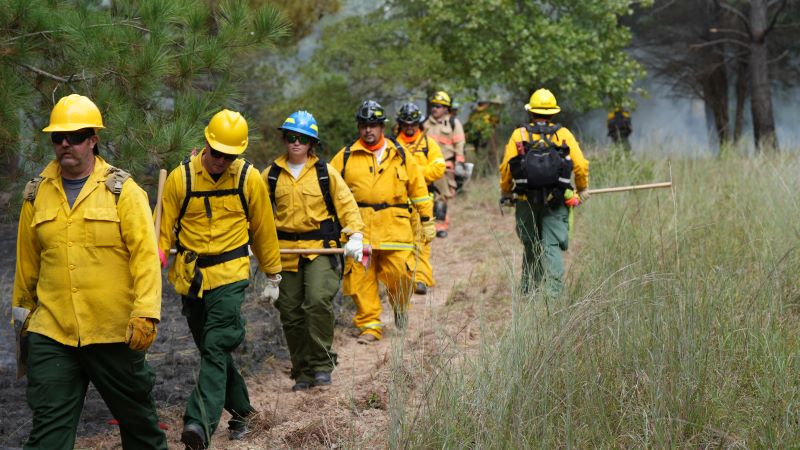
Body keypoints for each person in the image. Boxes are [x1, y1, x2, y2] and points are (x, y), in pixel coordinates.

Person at [12, 94, 167, 449]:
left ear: (93, 139)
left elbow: (145, 259)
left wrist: (146, 314)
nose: (66, 144)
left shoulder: (122, 192)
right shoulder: (35, 194)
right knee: (47, 436)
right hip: (53, 332)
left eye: (76, 135)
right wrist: (22, 327)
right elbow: (26, 268)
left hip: (114, 332)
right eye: (58, 137)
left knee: (141, 429)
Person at [158, 109, 282, 449]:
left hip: (230, 276)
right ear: (205, 144)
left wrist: (273, 273)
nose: (221, 161)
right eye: (217, 154)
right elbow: (161, 229)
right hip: (191, 278)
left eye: (230, 156)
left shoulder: (248, 179)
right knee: (213, 352)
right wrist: (153, 257)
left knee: (216, 345)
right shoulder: (180, 179)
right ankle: (243, 412)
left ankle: (198, 423)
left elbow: (263, 229)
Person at [262, 111, 364, 391]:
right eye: (292, 137)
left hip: (320, 250)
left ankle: (321, 365)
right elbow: (252, 208)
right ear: (285, 139)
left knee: (318, 301)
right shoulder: (270, 175)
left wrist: (355, 234)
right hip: (284, 253)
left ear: (311, 144)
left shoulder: (324, 172)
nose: (296, 143)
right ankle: (303, 372)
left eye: (303, 139)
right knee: (291, 313)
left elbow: (346, 204)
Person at [330, 100, 434, 343]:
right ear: (359, 127)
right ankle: (370, 326)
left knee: (401, 274)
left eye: (374, 125)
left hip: (395, 228)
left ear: (382, 127)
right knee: (360, 279)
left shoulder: (400, 154)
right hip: (359, 230)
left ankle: (400, 308)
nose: (369, 130)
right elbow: (330, 190)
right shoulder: (345, 156)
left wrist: (427, 219)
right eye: (365, 125)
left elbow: (418, 189)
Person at [499, 88, 589, 298]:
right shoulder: (563, 134)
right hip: (556, 200)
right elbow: (581, 166)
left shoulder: (519, 134)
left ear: (531, 112)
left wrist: (506, 192)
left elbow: (505, 168)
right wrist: (582, 188)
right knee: (552, 245)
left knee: (531, 244)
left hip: (524, 199)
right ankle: (554, 296)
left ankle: (529, 291)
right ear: (553, 113)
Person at [394, 102, 446, 295]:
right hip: (397, 202)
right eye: (406, 124)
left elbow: (439, 167)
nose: (409, 127)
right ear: (400, 123)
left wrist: (415, 174)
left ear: (419, 124)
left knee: (422, 241)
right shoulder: (392, 144)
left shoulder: (428, 143)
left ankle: (421, 279)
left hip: (423, 201)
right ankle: (404, 277)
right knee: (400, 242)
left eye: (413, 124)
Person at [423, 90, 466, 238]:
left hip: (445, 168)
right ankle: (426, 225)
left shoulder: (453, 123)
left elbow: (460, 144)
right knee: (426, 197)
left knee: (441, 198)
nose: (435, 108)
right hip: (426, 167)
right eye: (433, 105)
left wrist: (459, 163)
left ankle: (441, 227)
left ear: (446, 108)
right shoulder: (424, 124)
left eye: (439, 106)